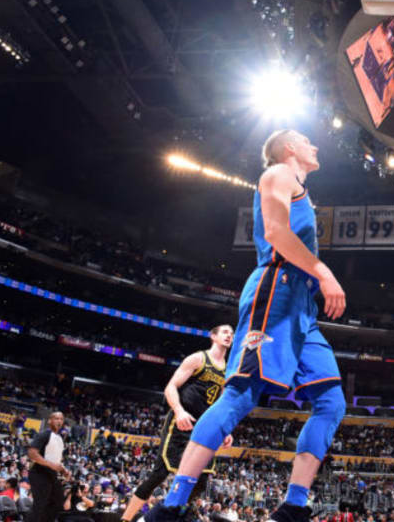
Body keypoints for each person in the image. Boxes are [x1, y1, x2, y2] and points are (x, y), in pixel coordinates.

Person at [146, 130, 347, 522]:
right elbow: (275, 233)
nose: (315, 146)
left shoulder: (297, 186)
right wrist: (324, 272)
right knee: (240, 394)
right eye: (307, 140)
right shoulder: (277, 174)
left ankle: (293, 506)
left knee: (331, 402)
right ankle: (171, 508)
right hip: (275, 291)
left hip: (302, 307)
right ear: (290, 148)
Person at [122, 325, 235, 522]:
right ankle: (126, 519)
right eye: (225, 332)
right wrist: (179, 410)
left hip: (204, 428)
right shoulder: (198, 359)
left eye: (232, 333)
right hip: (182, 422)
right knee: (159, 474)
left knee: (201, 481)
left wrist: (225, 429)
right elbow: (171, 387)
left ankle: (158, 516)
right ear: (213, 336)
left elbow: (222, 404)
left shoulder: (228, 370)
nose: (229, 335)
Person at [28, 411, 69, 522]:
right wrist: (51, 465)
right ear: (49, 421)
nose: (59, 421)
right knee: (40, 504)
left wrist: (63, 470)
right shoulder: (45, 434)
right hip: (39, 471)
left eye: (61, 419)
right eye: (56, 418)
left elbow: (56, 460)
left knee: (57, 501)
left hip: (51, 473)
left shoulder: (60, 438)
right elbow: (32, 453)